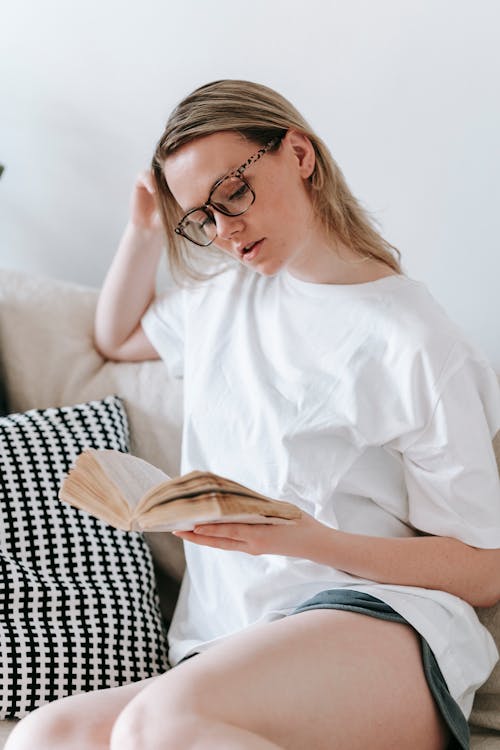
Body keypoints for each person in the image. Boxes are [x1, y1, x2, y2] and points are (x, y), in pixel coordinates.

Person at [7, 79, 500, 750]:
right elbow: (115, 337)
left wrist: (306, 540)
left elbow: (485, 569)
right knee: (45, 734)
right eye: (202, 219)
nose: (226, 231)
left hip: (377, 624)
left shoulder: (412, 339)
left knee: (161, 727)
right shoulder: (225, 300)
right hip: (230, 639)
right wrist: (145, 230)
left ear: (298, 154)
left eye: (233, 194)